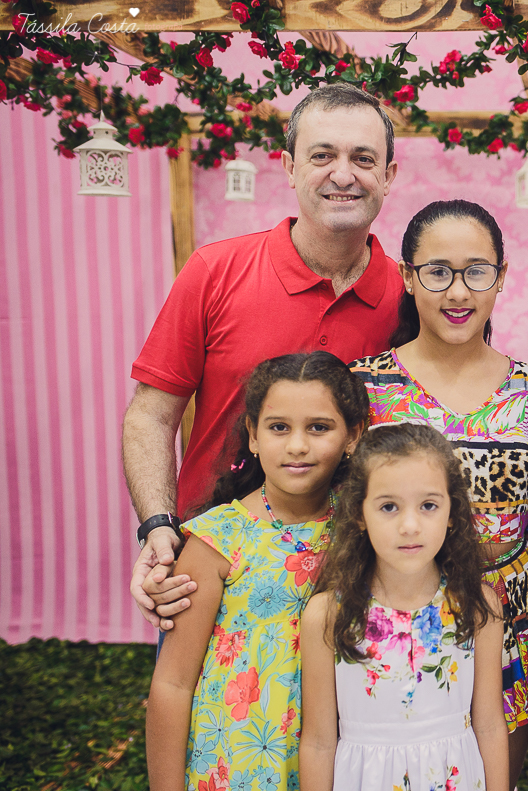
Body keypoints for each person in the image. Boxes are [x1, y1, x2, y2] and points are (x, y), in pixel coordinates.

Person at [126, 82, 404, 631]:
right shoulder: (214, 271)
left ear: (389, 175)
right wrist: (159, 527)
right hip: (211, 572)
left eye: (363, 159)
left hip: (354, 581)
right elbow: (151, 415)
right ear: (290, 167)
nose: (343, 174)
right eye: (322, 156)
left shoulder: (408, 298)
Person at [347, 200, 528, 790]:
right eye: (438, 272)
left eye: (476, 272)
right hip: (392, 627)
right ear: (409, 277)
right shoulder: (364, 387)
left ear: (501, 276)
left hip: (510, 628)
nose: (457, 291)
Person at [145, 351, 369, 791]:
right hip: (237, 765)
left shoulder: (362, 529)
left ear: (353, 435)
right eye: (278, 427)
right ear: (252, 434)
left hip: (339, 758)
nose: (297, 445)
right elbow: (172, 683)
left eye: (319, 428)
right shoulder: (218, 539)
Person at [298, 423, 507, 791]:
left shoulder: (477, 607)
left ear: (451, 512)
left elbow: (490, 726)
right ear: (359, 514)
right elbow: (318, 742)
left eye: (428, 505)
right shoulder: (328, 614)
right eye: (389, 507)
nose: (410, 526)